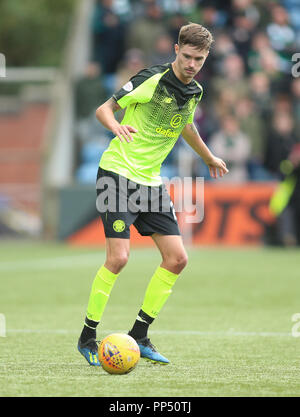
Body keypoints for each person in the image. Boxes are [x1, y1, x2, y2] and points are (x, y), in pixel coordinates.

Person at [77, 23, 228, 366]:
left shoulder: (195, 91)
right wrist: (115, 126)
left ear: (205, 58)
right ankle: (87, 337)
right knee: (119, 258)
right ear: (176, 49)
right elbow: (104, 109)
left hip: (151, 183)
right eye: (187, 56)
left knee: (177, 259)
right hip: (117, 174)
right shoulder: (152, 78)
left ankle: (140, 334)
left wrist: (208, 157)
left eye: (199, 59)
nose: (192, 64)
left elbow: (186, 125)